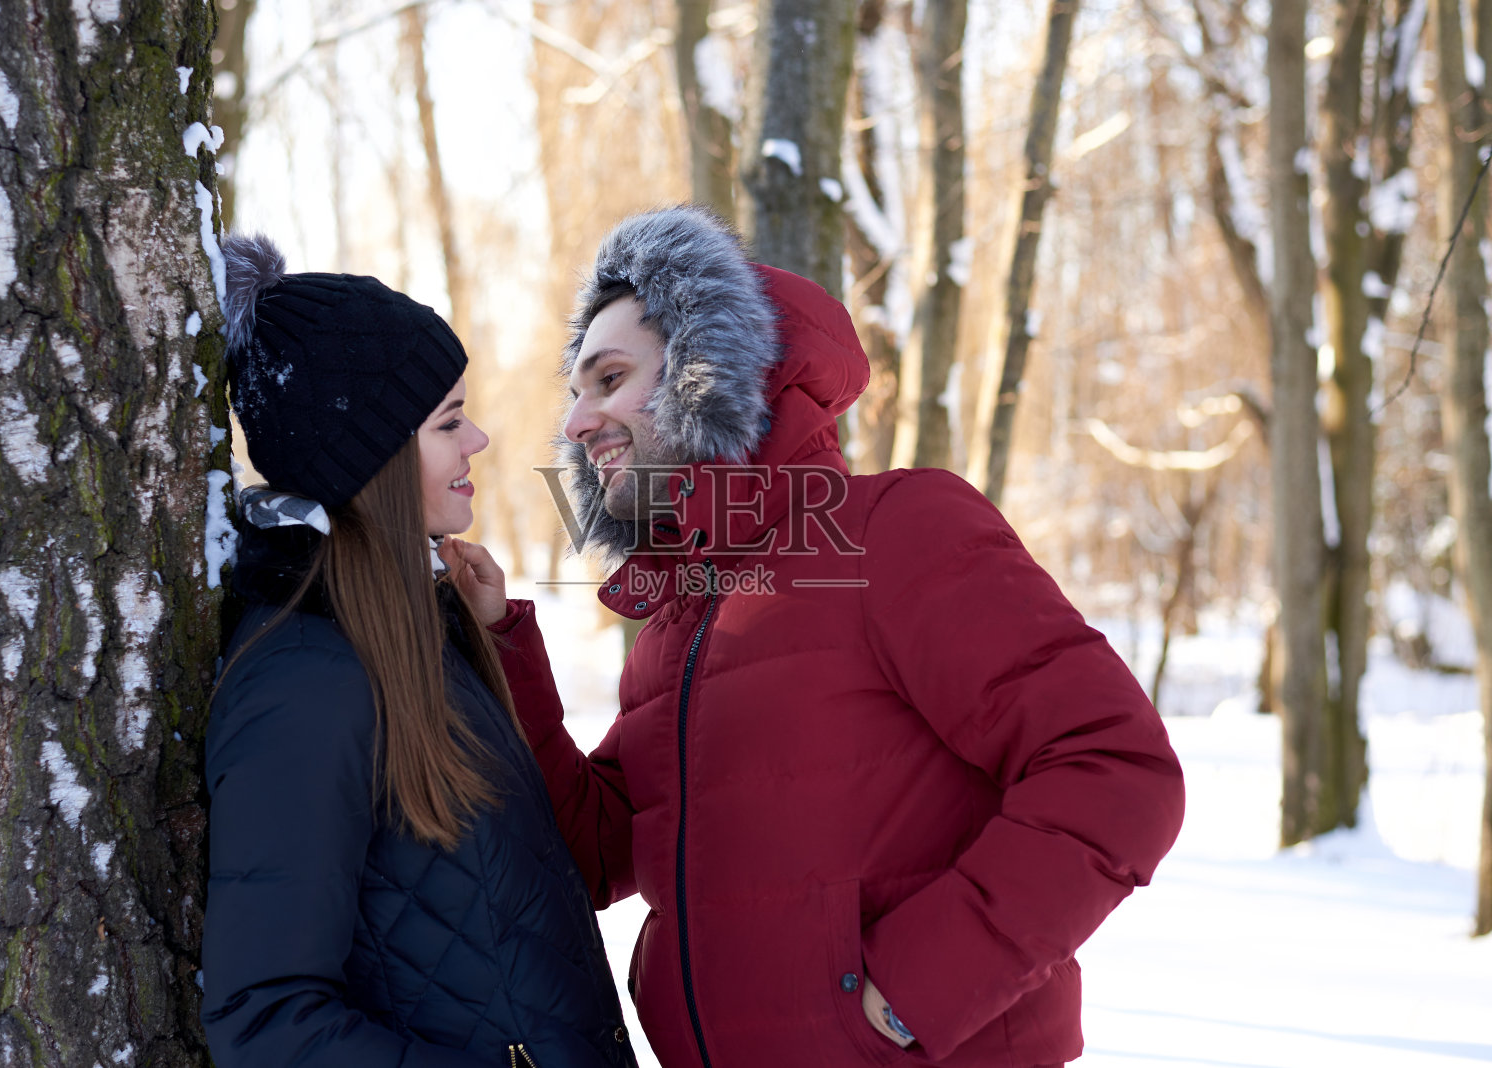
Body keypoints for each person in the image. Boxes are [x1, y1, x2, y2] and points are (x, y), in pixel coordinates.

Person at [478, 206, 1187, 1068]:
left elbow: (1115, 769)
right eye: (577, 391)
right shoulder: (682, 612)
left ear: (707, 373)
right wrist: (497, 648)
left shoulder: (895, 530)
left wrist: (909, 999)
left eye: (609, 378)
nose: (578, 424)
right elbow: (594, 854)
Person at [199, 234, 637, 1068]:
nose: (476, 441)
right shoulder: (306, 685)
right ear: (373, 458)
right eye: (447, 422)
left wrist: (495, 636)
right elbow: (267, 1018)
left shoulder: (413, 635)